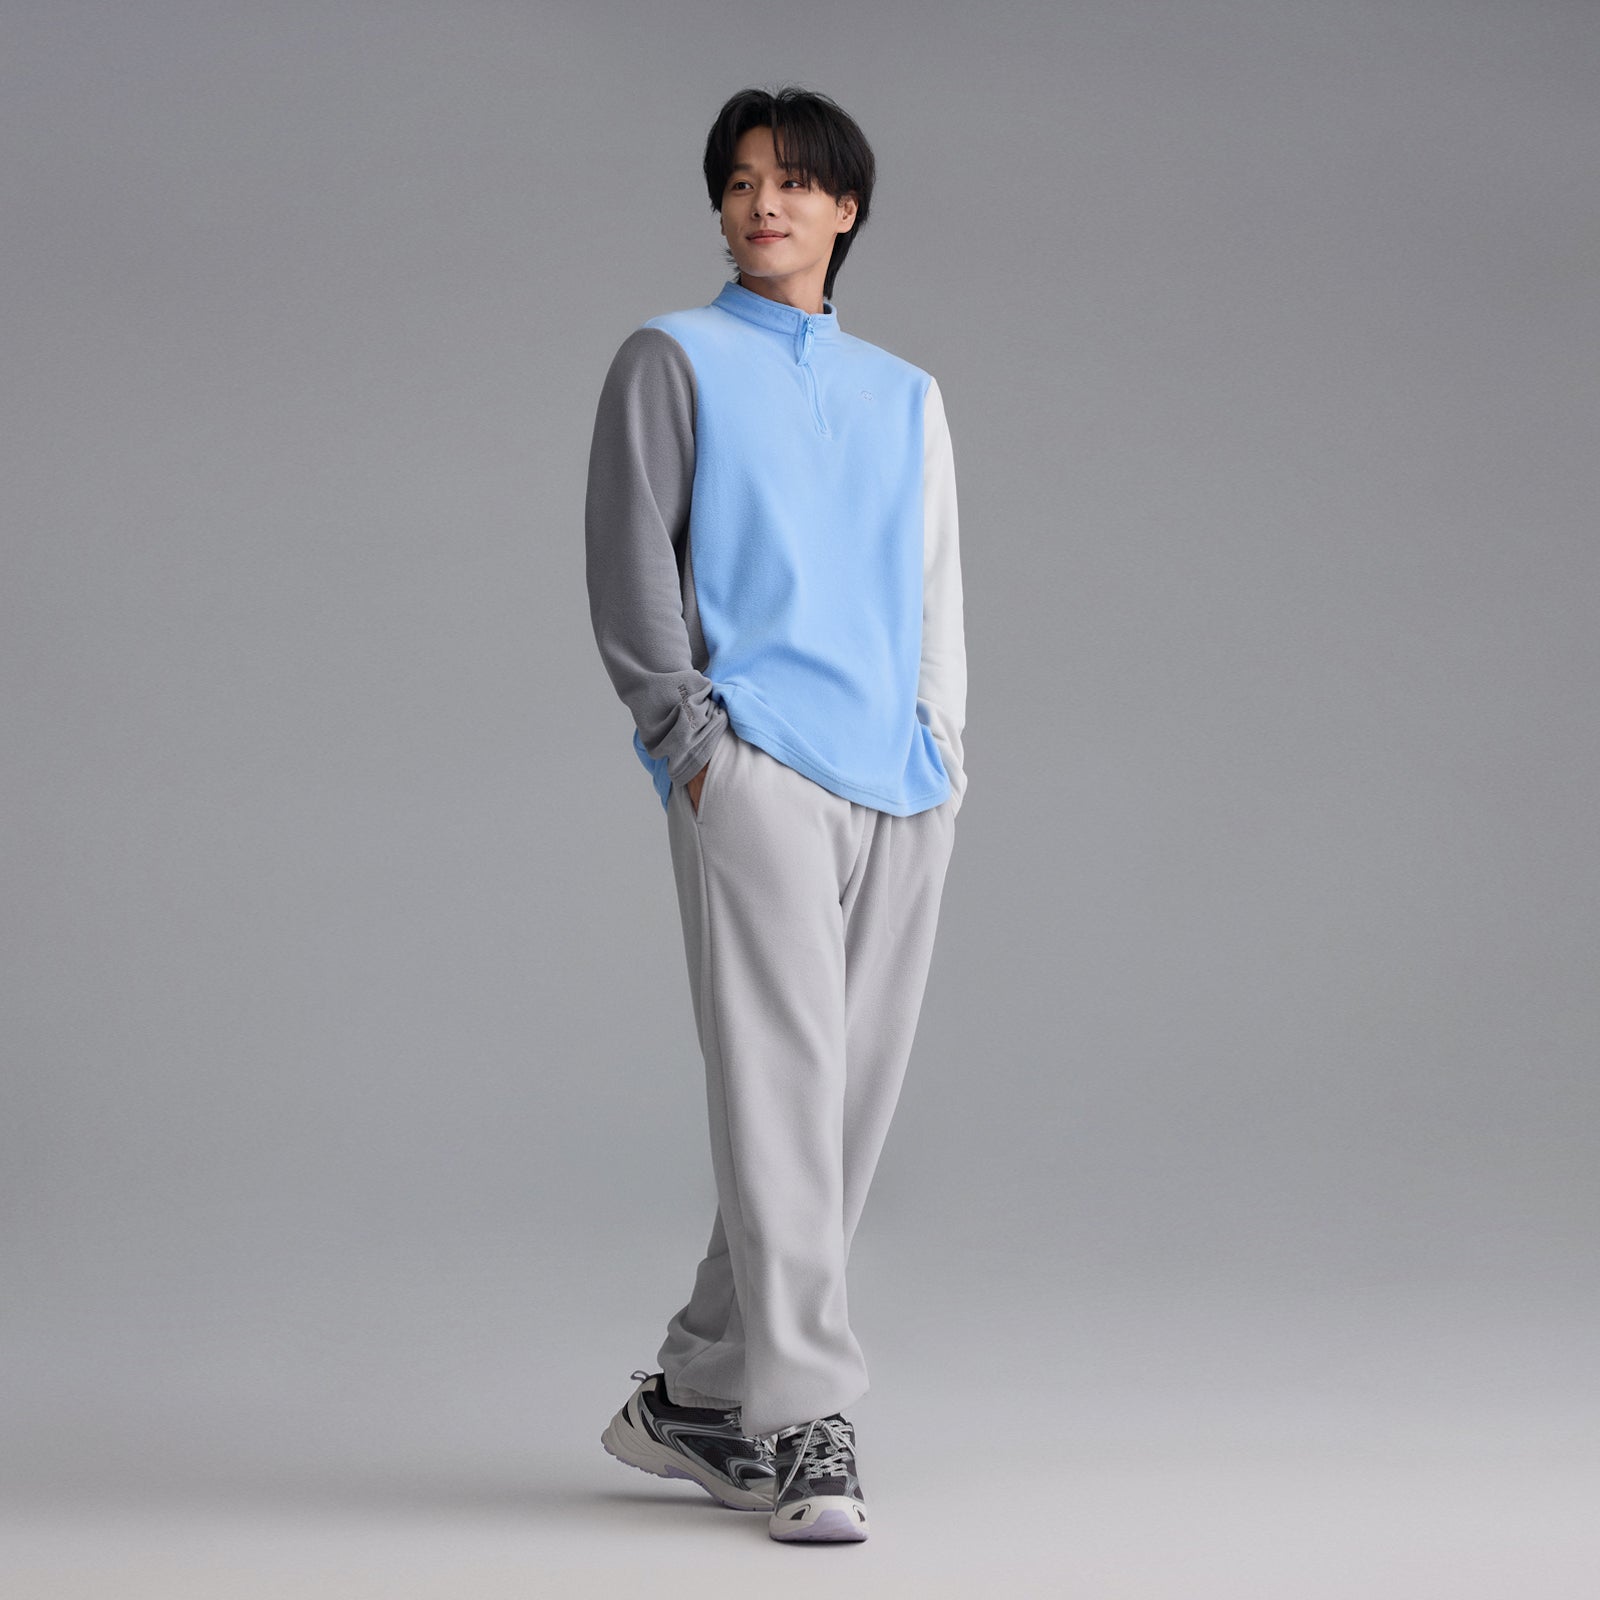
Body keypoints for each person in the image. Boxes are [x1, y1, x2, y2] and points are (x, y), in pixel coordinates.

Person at [584, 84, 967, 1545]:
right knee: (780, 1092)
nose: (764, 205)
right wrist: (689, 746)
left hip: (901, 784)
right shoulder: (671, 358)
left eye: (795, 183)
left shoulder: (906, 392)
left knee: (843, 1108)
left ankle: (696, 1392)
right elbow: (632, 562)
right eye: (742, 182)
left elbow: (934, 582)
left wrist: (943, 746)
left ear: (843, 209)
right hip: (753, 767)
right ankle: (807, 1413)